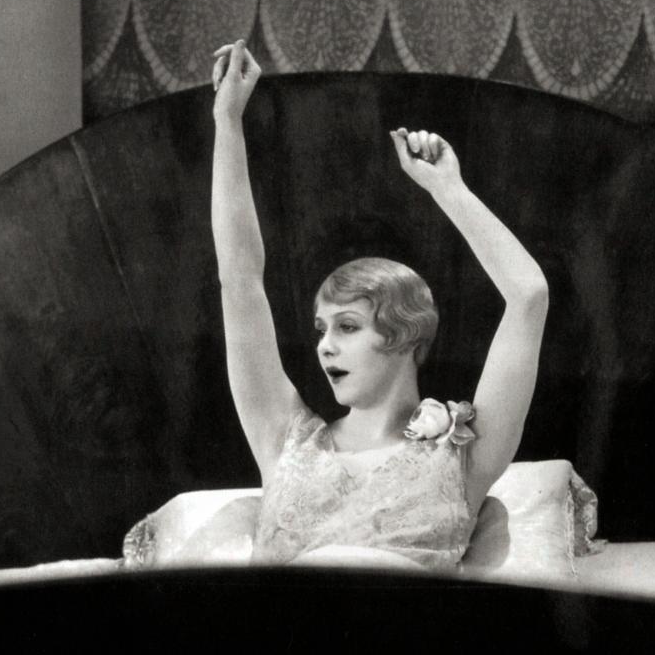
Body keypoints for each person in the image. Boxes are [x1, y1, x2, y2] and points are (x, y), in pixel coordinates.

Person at [211, 40, 548, 570]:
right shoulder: (284, 438)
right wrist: (228, 121)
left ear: (405, 335)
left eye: (347, 326)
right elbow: (239, 280)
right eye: (321, 328)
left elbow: (528, 296)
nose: (324, 346)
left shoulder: (464, 454)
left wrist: (448, 189)